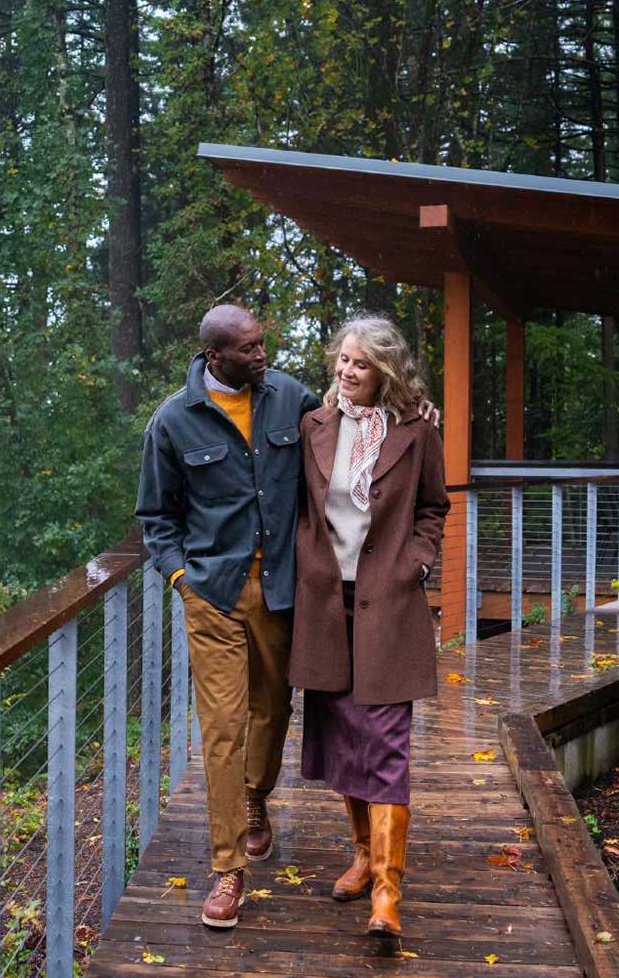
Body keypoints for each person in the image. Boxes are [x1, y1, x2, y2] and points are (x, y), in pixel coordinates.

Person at [136, 304, 319, 929]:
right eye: (246, 349)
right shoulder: (172, 422)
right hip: (212, 594)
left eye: (262, 343)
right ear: (213, 357)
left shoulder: (292, 397)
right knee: (221, 727)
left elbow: (355, 436)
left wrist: (412, 414)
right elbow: (156, 520)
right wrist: (183, 581)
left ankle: (256, 798)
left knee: (274, 709)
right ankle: (227, 866)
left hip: (282, 589)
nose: (261, 355)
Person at [287, 316, 449, 941]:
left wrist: (419, 560)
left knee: (385, 739)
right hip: (326, 602)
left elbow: (434, 505)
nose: (344, 371)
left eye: (358, 363)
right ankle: (361, 856)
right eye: (341, 361)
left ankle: (388, 891)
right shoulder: (314, 427)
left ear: (385, 370)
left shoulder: (417, 431)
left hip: (390, 601)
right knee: (342, 736)